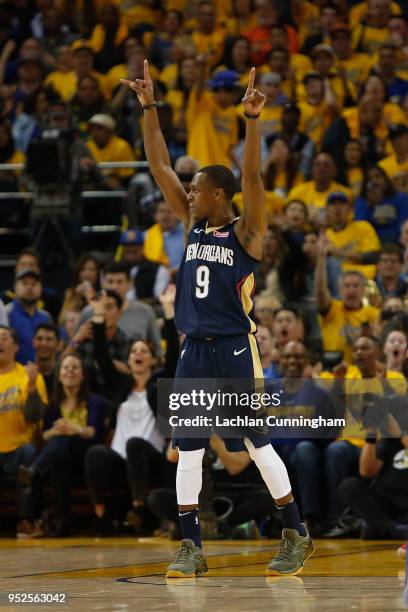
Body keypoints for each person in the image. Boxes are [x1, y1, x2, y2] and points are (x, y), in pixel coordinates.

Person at [122, 63, 314, 578]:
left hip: (233, 346)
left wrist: (252, 122)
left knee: (254, 439)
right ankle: (191, 547)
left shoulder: (247, 234)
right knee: (187, 448)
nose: (189, 193)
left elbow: (251, 176)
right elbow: (158, 165)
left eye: (198, 188)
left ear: (219, 196)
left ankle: (295, 532)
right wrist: (149, 108)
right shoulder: (190, 226)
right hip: (193, 348)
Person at [85, 286, 179, 535]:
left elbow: (173, 359)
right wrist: (97, 315)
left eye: (144, 351)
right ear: (128, 359)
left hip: (153, 458)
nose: (138, 353)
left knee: (135, 443)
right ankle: (101, 515)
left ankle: (137, 509)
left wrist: (168, 309)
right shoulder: (121, 385)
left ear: (151, 359)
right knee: (96, 452)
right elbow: (102, 356)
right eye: (134, 351)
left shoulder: (160, 384)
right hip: (121, 460)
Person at [18, 353, 108, 536]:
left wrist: (74, 429)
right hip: (62, 456)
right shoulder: (53, 404)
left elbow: (94, 432)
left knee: (62, 442)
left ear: (82, 375)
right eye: (66, 367)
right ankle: (62, 523)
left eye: (75, 367)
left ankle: (35, 471)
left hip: (88, 455)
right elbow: (45, 435)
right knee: (60, 453)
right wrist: (57, 430)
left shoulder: (96, 401)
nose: (70, 371)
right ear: (59, 375)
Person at [0, 326, 47, 538]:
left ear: (16, 346)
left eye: (4, 338)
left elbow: (35, 415)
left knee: (28, 453)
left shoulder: (29, 375)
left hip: (18, 450)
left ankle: (25, 520)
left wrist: (30, 387)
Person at [315, 234, 380, 364]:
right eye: (347, 286)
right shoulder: (332, 309)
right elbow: (320, 291)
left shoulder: (374, 314)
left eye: (356, 286)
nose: (351, 289)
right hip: (334, 372)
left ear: (363, 290)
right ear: (340, 290)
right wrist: (321, 257)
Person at [6, 269, 52, 364]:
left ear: (41, 288)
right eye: (24, 283)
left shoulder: (46, 317)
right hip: (13, 375)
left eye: (34, 284)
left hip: (41, 373)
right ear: (15, 287)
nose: (29, 287)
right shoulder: (6, 313)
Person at [118, 228, 170, 302]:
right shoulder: (115, 269)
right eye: (127, 250)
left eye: (134, 251)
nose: (130, 255)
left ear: (142, 247)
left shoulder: (158, 270)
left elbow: (159, 300)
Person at [32, 322, 60, 397]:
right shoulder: (24, 374)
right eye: (39, 339)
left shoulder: (65, 375)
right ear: (33, 342)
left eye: (49, 339)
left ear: (58, 344)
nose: (43, 343)